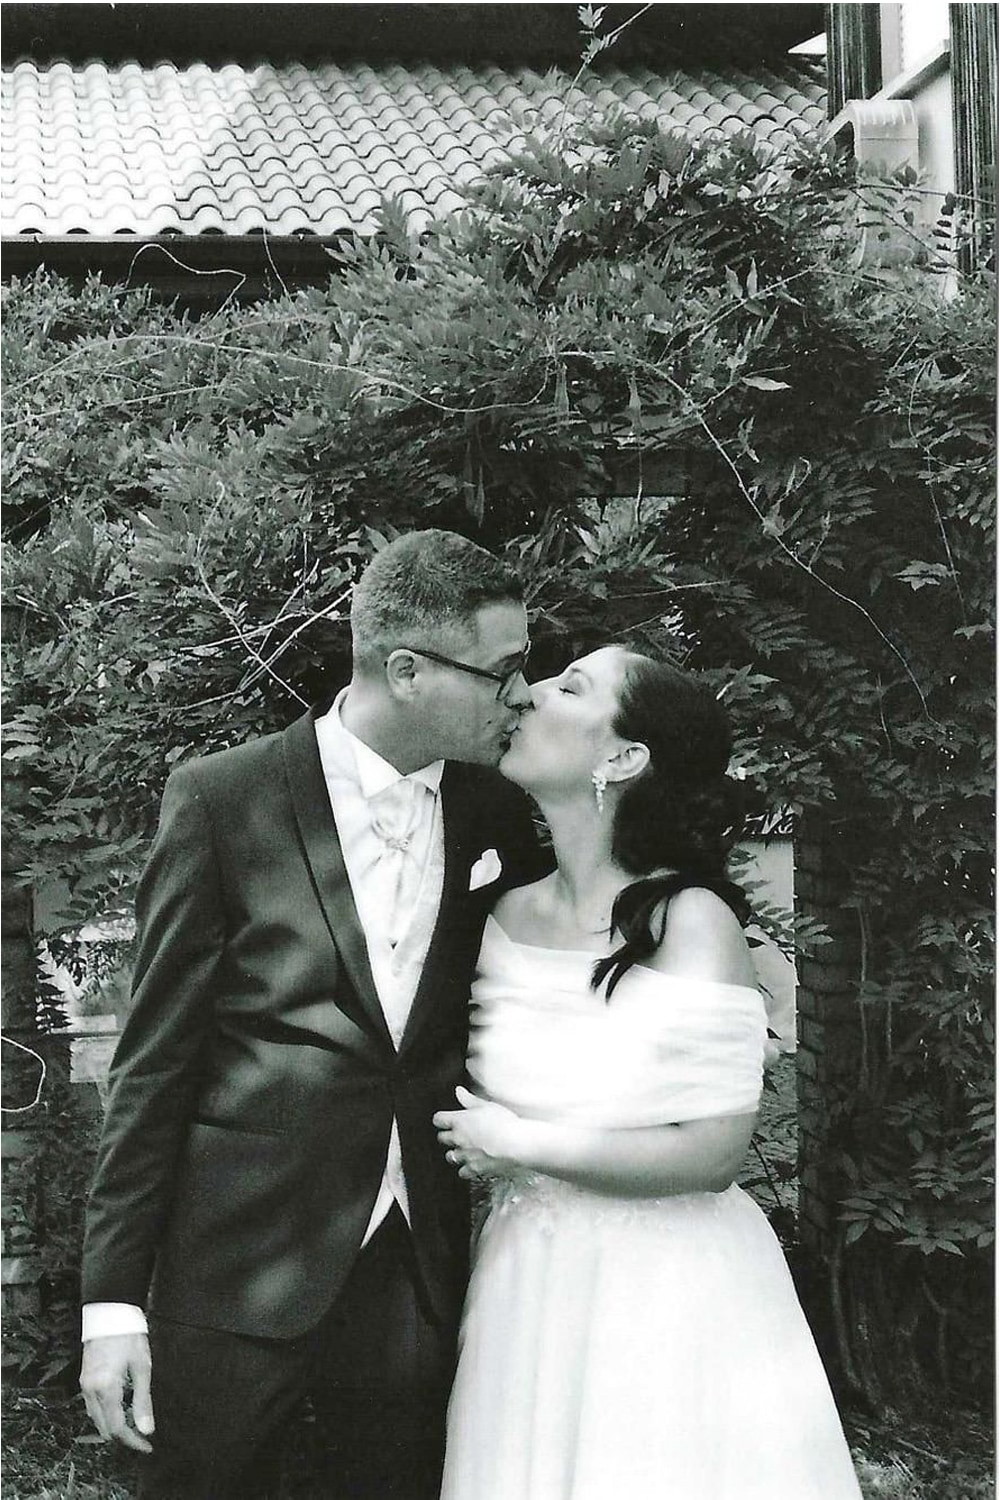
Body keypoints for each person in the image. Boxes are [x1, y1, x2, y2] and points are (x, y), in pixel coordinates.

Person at [79, 529, 549, 1500]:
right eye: (501, 671)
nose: (522, 695)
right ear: (408, 671)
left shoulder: (497, 813)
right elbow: (153, 1063)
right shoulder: (222, 800)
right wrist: (112, 1303)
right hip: (238, 1265)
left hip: (414, 1268)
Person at [434, 645, 863, 1500]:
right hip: (528, 1283)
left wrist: (521, 1144)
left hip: (668, 1292)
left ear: (624, 757)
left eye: (571, 687)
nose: (529, 692)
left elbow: (714, 1153)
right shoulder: (499, 912)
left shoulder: (691, 921)